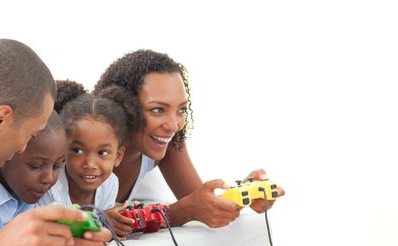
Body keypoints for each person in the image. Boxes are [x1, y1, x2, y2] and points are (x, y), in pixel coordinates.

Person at [94, 49, 285, 233]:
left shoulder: (166, 143)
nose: (173, 125)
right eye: (157, 110)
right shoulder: (85, 144)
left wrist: (243, 195)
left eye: (181, 110)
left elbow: (202, 203)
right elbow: (73, 220)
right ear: (123, 107)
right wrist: (182, 211)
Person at [38, 80, 135, 234]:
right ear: (63, 148)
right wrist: (101, 220)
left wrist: (117, 222)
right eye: (78, 150)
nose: (90, 164)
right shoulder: (50, 186)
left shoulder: (110, 183)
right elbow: (49, 230)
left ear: (118, 156)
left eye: (102, 153)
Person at [0, 110, 67, 243]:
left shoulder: (30, 195)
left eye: (57, 166)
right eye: (36, 166)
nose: (49, 178)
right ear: (5, 152)